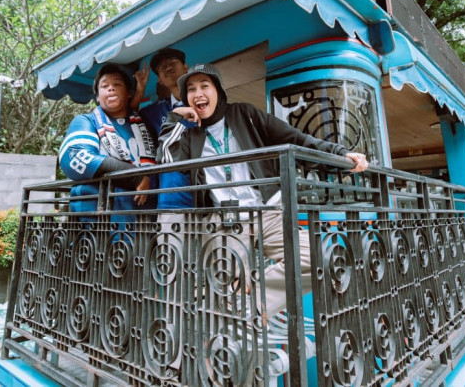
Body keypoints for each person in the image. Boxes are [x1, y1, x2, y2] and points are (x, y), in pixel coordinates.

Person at [157, 63, 368, 319]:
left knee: (317, 257)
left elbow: (295, 139)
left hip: (267, 213)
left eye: (205, 86)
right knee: (221, 284)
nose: (198, 93)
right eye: (191, 89)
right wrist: (175, 118)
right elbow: (167, 159)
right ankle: (223, 344)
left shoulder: (244, 114)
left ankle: (251, 303)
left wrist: (340, 154)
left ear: (218, 90)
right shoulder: (191, 138)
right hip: (223, 223)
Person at [58, 64, 156, 224]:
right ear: (97, 96)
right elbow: (75, 158)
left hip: (145, 218)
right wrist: (135, 177)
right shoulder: (86, 121)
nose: (111, 89)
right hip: (98, 221)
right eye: (104, 86)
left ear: (129, 93)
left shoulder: (144, 123)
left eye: (117, 84)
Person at [135, 48, 195, 218]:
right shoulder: (155, 111)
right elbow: (126, 118)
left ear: (186, 68)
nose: (168, 67)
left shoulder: (204, 102)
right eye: (162, 67)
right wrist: (140, 91)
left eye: (172, 62)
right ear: (160, 80)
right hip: (172, 199)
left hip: (210, 195)